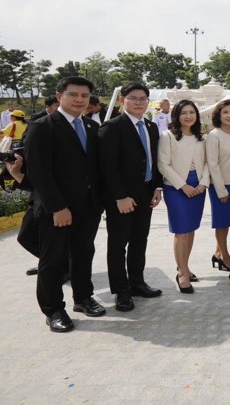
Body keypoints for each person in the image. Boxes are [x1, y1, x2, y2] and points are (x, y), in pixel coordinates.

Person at [24, 77, 105, 332]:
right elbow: (39, 173)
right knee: (53, 260)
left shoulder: (91, 127)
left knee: (83, 253)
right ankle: (53, 310)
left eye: (84, 96)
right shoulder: (42, 127)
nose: (79, 100)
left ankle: (83, 298)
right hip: (57, 210)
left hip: (88, 207)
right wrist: (57, 207)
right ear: (59, 96)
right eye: (73, 94)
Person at [98, 83, 163, 312]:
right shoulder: (112, 127)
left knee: (139, 240)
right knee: (118, 245)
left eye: (143, 98)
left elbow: (154, 160)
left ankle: (137, 283)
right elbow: (107, 167)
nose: (138, 102)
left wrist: (157, 188)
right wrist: (120, 196)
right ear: (122, 100)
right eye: (133, 98)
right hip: (122, 198)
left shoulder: (151, 126)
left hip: (146, 193)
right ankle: (121, 291)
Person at [158, 99, 209, 294]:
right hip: (176, 187)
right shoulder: (168, 136)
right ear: (177, 116)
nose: (188, 116)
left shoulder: (201, 137)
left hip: (198, 186)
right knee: (181, 231)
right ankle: (182, 272)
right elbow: (163, 164)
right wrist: (182, 185)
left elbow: (207, 162)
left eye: (192, 112)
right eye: (184, 113)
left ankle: (185, 266)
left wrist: (203, 183)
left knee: (191, 229)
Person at [206, 99, 230, 274]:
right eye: (226, 112)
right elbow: (212, 164)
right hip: (220, 183)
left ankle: (217, 253)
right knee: (222, 222)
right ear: (218, 115)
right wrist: (221, 190)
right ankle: (225, 256)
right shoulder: (214, 135)